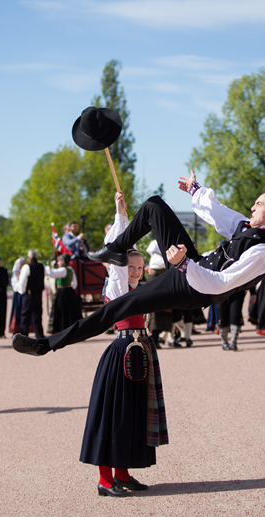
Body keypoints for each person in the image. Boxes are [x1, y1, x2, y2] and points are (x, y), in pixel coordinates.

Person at [12, 170, 265, 356]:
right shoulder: (248, 227)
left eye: (259, 204)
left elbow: (222, 284)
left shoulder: (264, 252)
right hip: (191, 265)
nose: (253, 206)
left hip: (194, 288)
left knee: (119, 306)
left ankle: (46, 345)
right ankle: (116, 249)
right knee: (154, 206)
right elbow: (222, 215)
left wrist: (183, 265)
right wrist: (195, 190)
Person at [80, 192, 168, 497]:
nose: (136, 272)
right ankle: (105, 481)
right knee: (113, 416)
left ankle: (124, 474)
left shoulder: (138, 288)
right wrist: (120, 215)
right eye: (131, 268)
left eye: (140, 268)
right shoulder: (117, 288)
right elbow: (117, 254)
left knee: (132, 414)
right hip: (121, 354)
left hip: (140, 352)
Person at [46, 253, 82, 334]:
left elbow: (52, 274)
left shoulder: (63, 270)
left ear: (64, 261)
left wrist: (45, 267)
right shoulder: (71, 269)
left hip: (61, 293)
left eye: (59, 261)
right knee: (70, 312)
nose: (57, 263)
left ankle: (61, 329)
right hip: (69, 292)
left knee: (60, 311)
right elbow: (75, 284)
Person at [15, 249, 45, 339]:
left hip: (29, 294)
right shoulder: (41, 266)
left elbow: (22, 283)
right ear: (37, 257)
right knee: (37, 316)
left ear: (29, 258)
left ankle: (24, 338)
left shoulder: (26, 267)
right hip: (39, 294)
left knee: (25, 317)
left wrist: (21, 292)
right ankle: (40, 337)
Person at [9, 256, 27, 335]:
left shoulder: (25, 271)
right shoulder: (16, 272)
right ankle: (16, 328)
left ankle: (25, 329)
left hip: (24, 293)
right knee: (17, 311)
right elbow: (15, 284)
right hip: (18, 294)